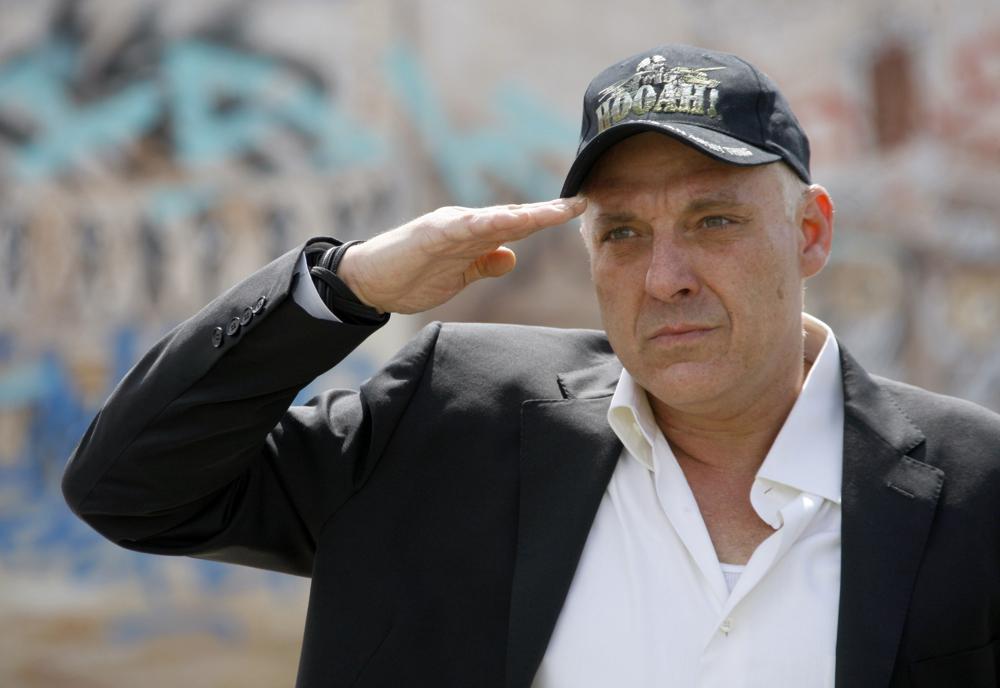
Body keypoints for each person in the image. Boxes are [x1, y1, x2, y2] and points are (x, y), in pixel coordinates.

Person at [62, 44, 999, 688]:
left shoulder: (973, 485)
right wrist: (345, 287)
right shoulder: (455, 419)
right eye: (623, 232)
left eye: (714, 221)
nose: (665, 277)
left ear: (810, 233)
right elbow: (132, 487)